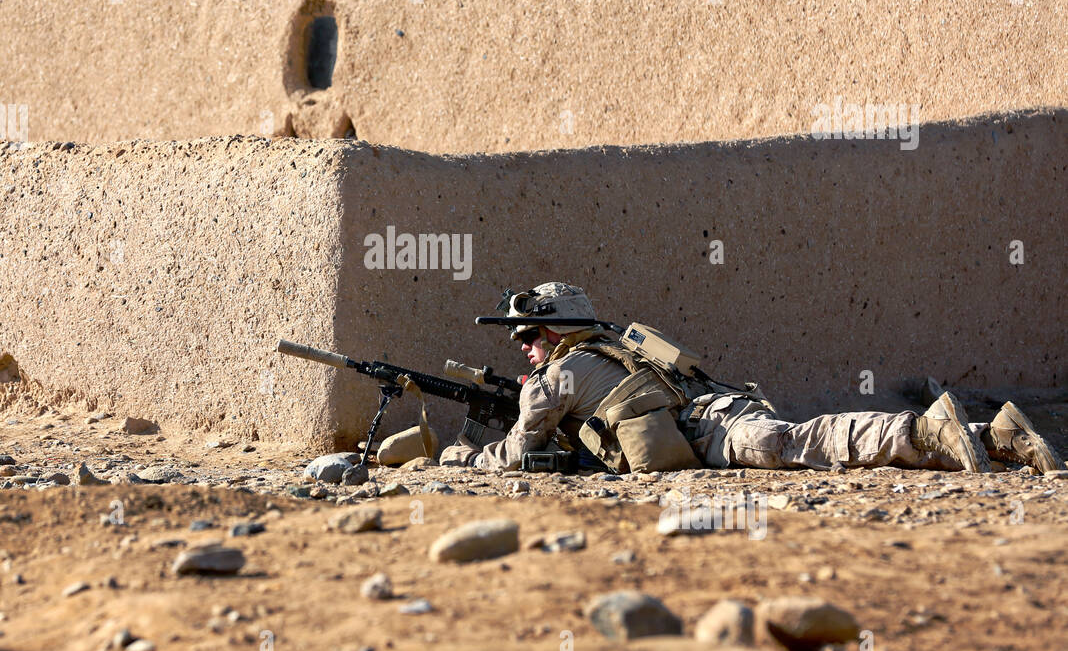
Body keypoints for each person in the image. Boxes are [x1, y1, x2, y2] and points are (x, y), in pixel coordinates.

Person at [438, 282, 1065, 477]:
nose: (522, 350)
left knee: (807, 444)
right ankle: (997, 434)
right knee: (802, 438)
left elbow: (519, 451)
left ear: (553, 333)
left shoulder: (556, 376)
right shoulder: (611, 351)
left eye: (526, 337)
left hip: (710, 432)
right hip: (717, 409)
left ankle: (927, 434)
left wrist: (465, 459)